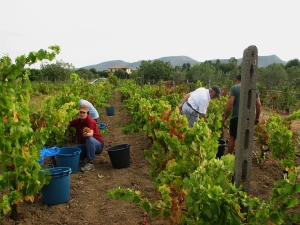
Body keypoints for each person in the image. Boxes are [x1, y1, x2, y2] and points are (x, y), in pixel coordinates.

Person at [222, 74, 261, 154]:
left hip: (236, 117)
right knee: (245, 139)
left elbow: (230, 103)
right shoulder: (254, 90)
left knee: (232, 137)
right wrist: (257, 118)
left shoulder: (234, 88)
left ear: (237, 80)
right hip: (249, 119)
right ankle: (243, 157)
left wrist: (225, 117)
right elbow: (258, 105)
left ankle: (229, 157)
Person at [69, 104, 104, 172]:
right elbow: (68, 123)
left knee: (89, 139)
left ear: (87, 113)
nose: (82, 114)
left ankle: (91, 164)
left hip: (97, 145)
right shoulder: (77, 121)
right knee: (75, 149)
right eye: (81, 112)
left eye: (84, 112)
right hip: (86, 145)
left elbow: (91, 134)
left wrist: (86, 134)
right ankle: (84, 158)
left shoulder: (90, 121)